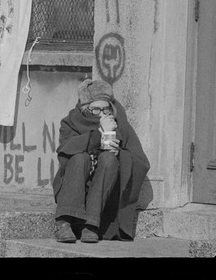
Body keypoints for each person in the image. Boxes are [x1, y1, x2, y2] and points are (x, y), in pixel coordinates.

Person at [52, 79, 150, 243]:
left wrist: (119, 154)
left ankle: (91, 225)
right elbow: (65, 150)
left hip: (104, 187)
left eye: (106, 109)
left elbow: (140, 160)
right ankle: (64, 222)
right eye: (96, 109)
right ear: (85, 107)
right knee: (78, 157)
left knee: (109, 159)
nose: (102, 114)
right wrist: (98, 135)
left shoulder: (119, 123)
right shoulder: (71, 121)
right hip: (75, 182)